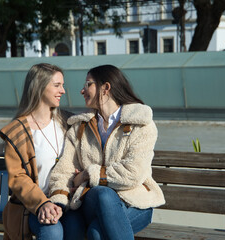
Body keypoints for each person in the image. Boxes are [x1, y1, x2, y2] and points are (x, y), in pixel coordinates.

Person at [49, 64, 165, 240]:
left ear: (106, 88)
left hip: (134, 203)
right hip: (90, 203)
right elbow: (64, 171)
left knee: (97, 232)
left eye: (88, 84)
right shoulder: (80, 127)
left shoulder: (140, 125)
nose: (82, 90)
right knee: (90, 204)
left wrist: (88, 174)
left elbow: (133, 173)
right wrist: (58, 201)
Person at [0, 63, 78, 240]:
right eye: (57, 85)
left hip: (68, 202)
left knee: (76, 228)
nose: (63, 91)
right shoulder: (17, 131)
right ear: (39, 87)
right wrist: (43, 203)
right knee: (52, 231)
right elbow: (18, 177)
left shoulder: (68, 122)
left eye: (62, 85)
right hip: (33, 205)